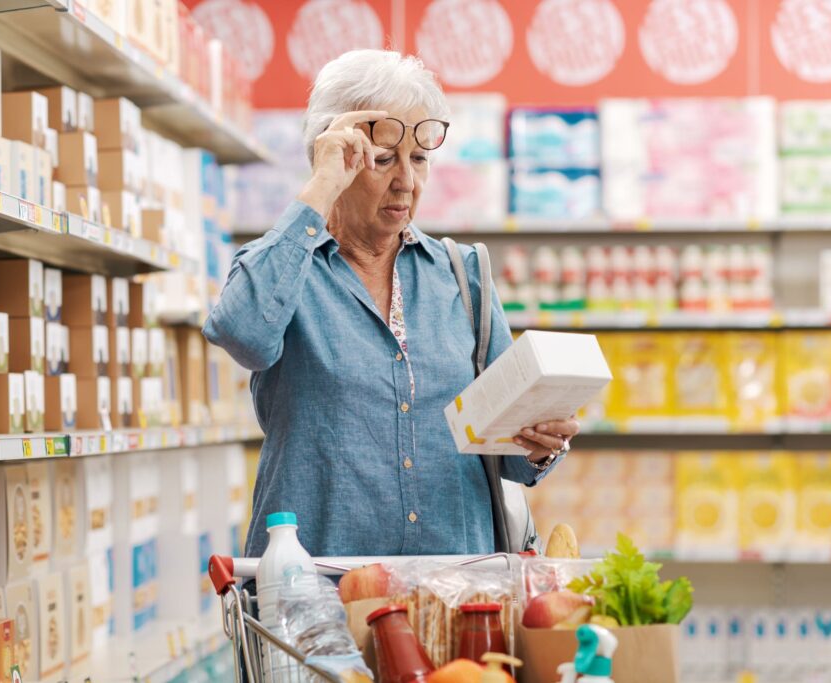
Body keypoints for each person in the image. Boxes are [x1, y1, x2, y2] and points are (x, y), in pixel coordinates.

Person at [203, 49, 579, 559]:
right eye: (384, 159)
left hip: (457, 589)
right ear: (334, 156)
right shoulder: (286, 269)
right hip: (319, 593)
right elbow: (241, 332)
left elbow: (508, 456)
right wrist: (320, 188)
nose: (407, 180)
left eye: (419, 158)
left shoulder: (463, 276)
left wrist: (540, 444)